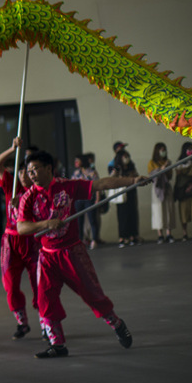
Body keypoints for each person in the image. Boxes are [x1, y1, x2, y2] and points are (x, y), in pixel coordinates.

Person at [16, 150, 144, 358]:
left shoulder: (67, 186)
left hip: (72, 253)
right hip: (47, 256)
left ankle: (117, 324)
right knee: (45, 300)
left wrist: (133, 180)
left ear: (49, 168)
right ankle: (58, 345)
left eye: (35, 169)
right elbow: (21, 228)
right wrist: (46, 224)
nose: (31, 174)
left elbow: (101, 185)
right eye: (29, 170)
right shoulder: (29, 197)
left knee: (92, 295)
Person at [0, 138, 40, 339]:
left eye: (27, 172)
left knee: (40, 284)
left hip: (32, 241)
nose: (22, 176)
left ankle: (46, 322)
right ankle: (22, 322)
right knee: (10, 285)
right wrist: (12, 148)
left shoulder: (38, 191)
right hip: (10, 242)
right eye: (20, 172)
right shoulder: (10, 186)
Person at [110, 149, 140, 246]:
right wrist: (117, 172)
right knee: (123, 216)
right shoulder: (116, 167)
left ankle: (133, 236)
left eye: (127, 156)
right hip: (122, 194)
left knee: (132, 214)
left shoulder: (131, 166)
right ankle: (123, 237)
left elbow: (136, 176)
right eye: (124, 156)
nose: (126, 158)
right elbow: (111, 178)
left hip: (131, 193)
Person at [147, 142, 176, 243]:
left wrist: (167, 167)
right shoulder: (152, 162)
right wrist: (162, 168)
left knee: (168, 210)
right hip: (157, 189)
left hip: (167, 188)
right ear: (157, 151)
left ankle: (169, 234)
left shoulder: (168, 161)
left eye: (165, 150)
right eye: (162, 150)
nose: (164, 152)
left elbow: (170, 175)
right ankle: (160, 235)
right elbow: (152, 175)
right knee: (158, 211)